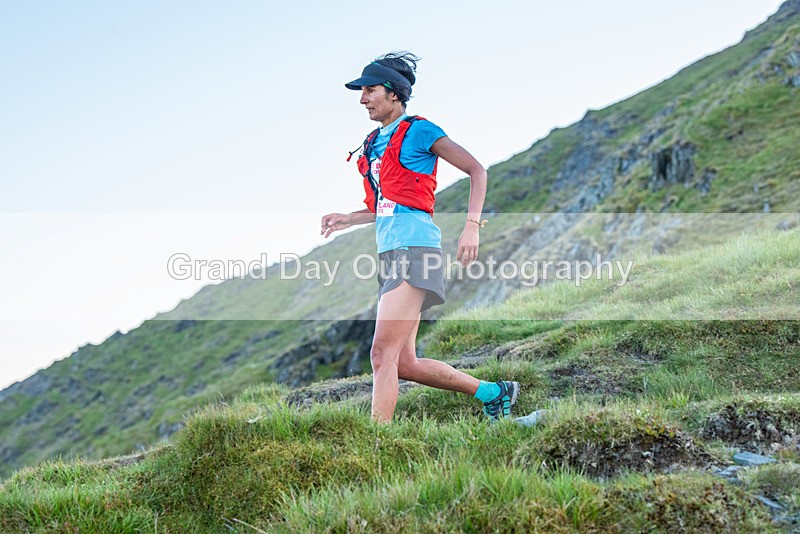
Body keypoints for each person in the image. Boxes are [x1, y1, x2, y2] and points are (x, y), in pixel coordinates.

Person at [320, 51, 519, 424]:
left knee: (381, 356)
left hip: (416, 250)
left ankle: (377, 447)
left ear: (394, 93)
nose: (363, 98)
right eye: (361, 91)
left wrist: (471, 226)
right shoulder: (370, 144)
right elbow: (386, 204)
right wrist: (348, 218)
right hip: (390, 254)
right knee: (404, 363)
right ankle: (495, 393)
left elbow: (477, 170)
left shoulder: (420, 130)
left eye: (370, 90)